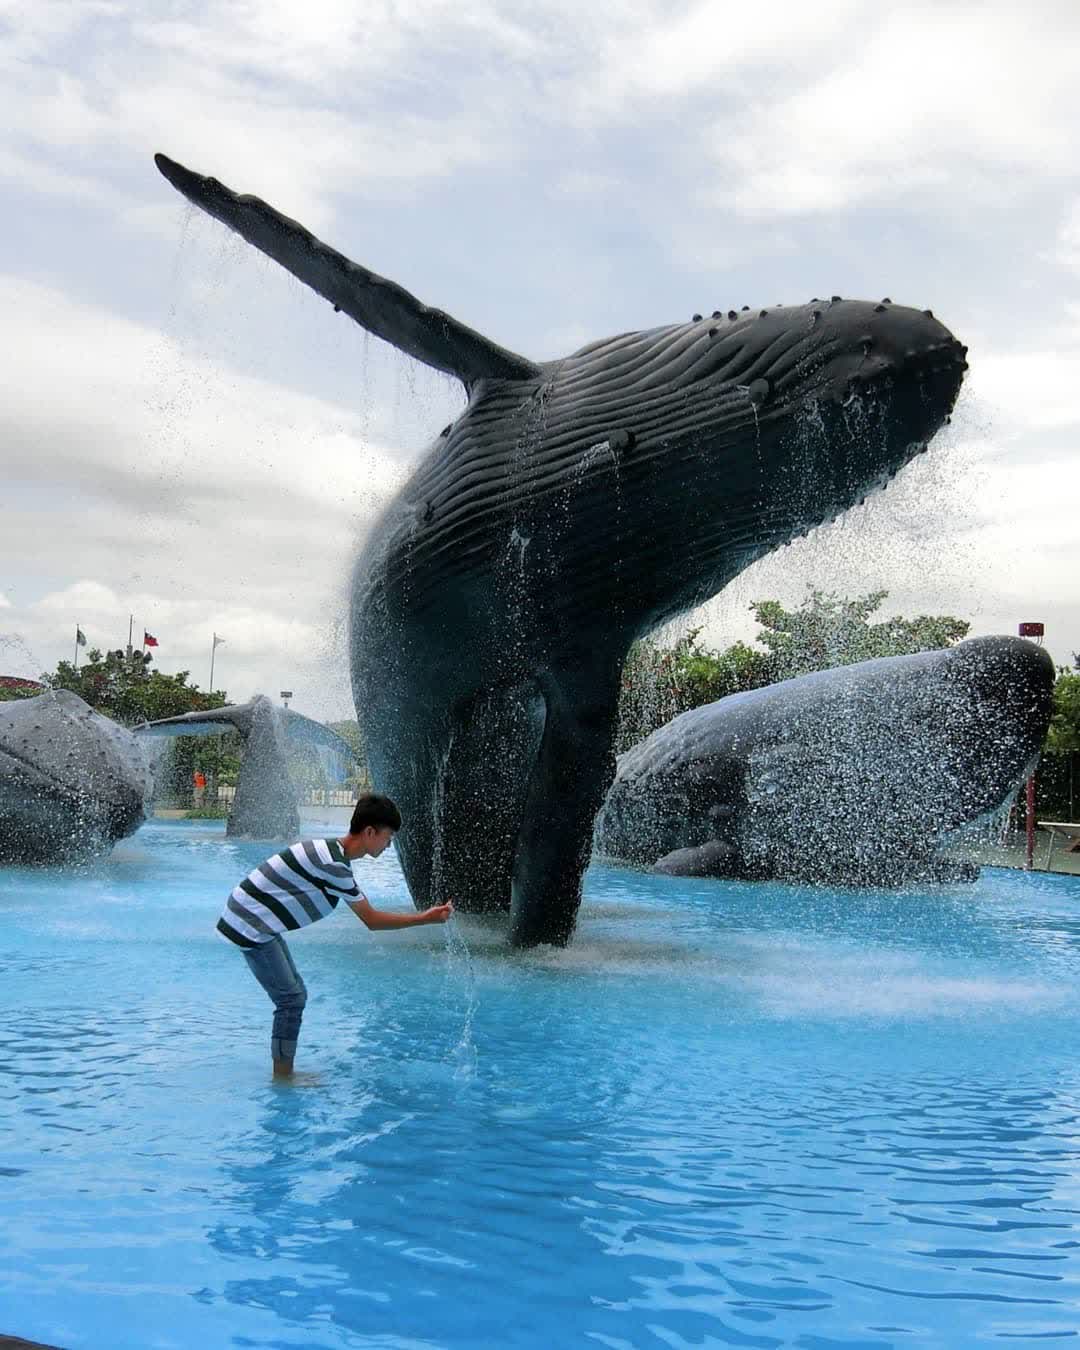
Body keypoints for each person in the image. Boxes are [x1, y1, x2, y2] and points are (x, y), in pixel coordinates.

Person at [217, 792, 453, 1077]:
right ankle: (283, 1077)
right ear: (369, 832)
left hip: (250, 918)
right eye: (388, 837)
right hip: (250, 924)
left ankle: (283, 1070)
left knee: (295, 994)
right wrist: (424, 919)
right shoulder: (334, 866)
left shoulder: (330, 854)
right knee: (291, 1000)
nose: (389, 845)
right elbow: (372, 920)